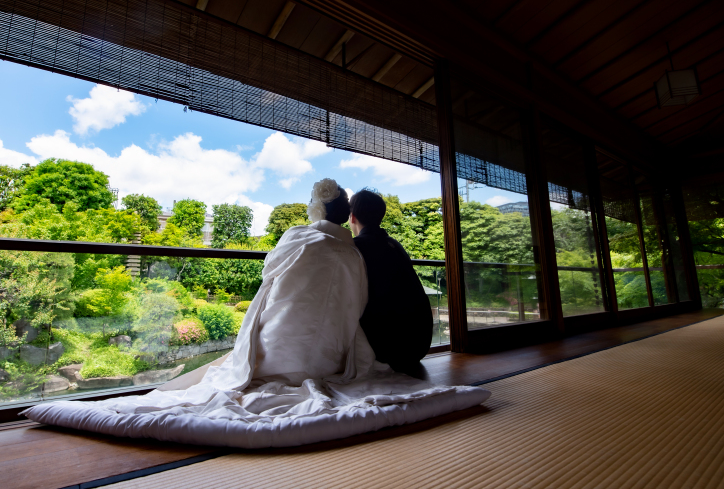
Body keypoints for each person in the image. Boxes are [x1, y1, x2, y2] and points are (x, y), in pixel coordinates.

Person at [24, 179, 489, 449]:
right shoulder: (358, 252)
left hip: (284, 354)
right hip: (362, 353)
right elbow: (359, 305)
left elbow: (271, 277)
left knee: (250, 348)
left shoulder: (300, 239)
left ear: (323, 210)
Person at [349, 189, 433, 370]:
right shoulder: (394, 244)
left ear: (352, 217)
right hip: (419, 344)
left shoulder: (355, 248)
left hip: (388, 350)